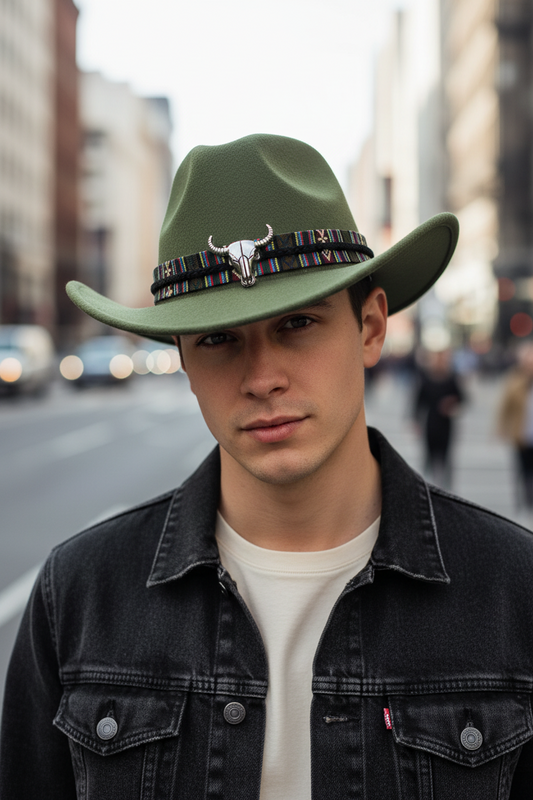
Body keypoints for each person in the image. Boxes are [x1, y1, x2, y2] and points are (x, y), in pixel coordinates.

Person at [2, 133, 533, 800]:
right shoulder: (77, 597)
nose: (262, 377)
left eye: (296, 325)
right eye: (220, 339)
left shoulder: (513, 593)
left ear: (369, 328)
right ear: (185, 363)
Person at [413, 346, 465, 489]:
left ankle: (446, 485)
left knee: (446, 455)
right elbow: (418, 401)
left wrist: (451, 403)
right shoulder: (426, 377)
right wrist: (415, 420)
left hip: (446, 422)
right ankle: (429, 484)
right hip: (431, 420)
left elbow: (462, 398)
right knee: (429, 453)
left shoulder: (452, 377)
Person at [498, 341, 533, 512]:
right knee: (522, 468)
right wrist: (502, 428)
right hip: (521, 433)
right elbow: (505, 406)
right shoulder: (516, 380)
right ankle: (523, 498)